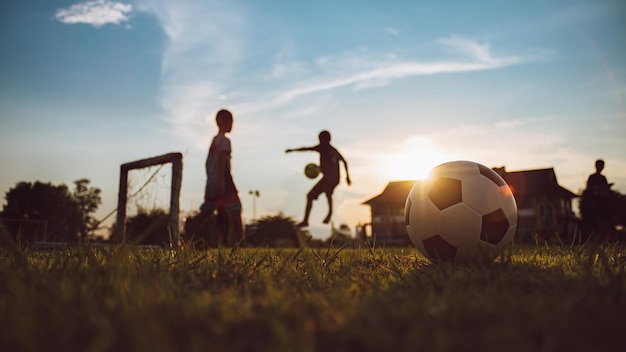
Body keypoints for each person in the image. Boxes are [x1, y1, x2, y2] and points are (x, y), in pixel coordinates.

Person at [185, 109, 244, 247]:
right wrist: (220, 183)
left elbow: (207, 163)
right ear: (222, 122)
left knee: (207, 211)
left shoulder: (214, 140)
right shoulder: (225, 141)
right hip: (223, 180)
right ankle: (242, 243)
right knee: (236, 209)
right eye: (231, 122)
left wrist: (211, 180)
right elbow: (221, 162)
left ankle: (185, 237)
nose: (232, 125)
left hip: (212, 180)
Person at [286, 130, 351, 227]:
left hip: (328, 178)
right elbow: (344, 161)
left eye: (320, 139)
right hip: (335, 178)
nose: (319, 141)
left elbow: (307, 148)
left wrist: (293, 150)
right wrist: (347, 177)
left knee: (310, 196)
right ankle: (330, 212)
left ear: (323, 139)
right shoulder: (334, 150)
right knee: (328, 193)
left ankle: (305, 221)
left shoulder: (322, 147)